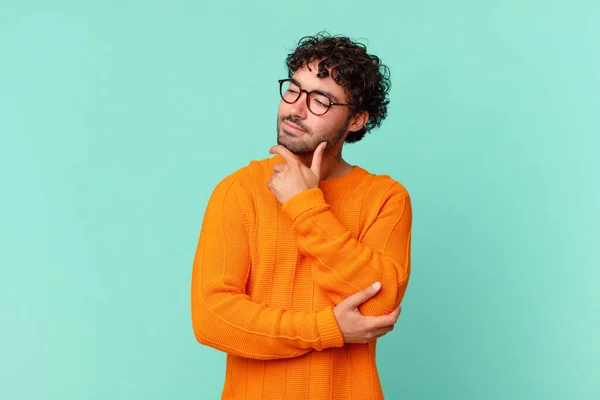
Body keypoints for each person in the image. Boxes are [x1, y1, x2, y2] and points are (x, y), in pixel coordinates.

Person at [190, 32, 413, 399]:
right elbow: (213, 319)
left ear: (356, 120)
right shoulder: (239, 190)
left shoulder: (386, 199)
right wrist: (328, 329)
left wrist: (305, 205)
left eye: (321, 100)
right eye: (293, 90)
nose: (296, 108)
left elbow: (379, 306)